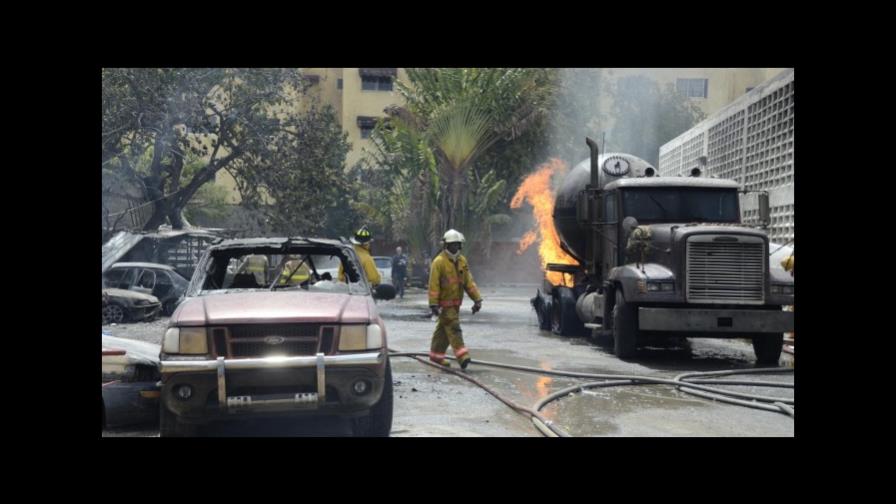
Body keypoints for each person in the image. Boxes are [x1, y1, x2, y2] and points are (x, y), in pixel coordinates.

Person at [428, 229, 482, 369]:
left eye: (457, 244)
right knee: (453, 328)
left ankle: (436, 357)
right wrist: (433, 304)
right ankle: (462, 356)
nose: (455, 247)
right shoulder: (438, 262)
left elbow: (468, 282)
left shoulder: (462, 261)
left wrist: (477, 299)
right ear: (445, 245)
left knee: (443, 332)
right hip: (445, 306)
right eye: (452, 244)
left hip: (456, 304)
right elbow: (433, 285)